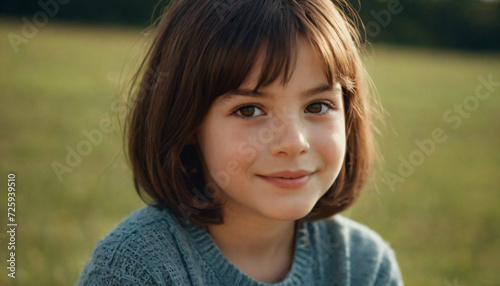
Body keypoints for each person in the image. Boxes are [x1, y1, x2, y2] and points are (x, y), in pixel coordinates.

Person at [78, 0, 404, 285]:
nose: (293, 143)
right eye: (249, 110)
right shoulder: (135, 268)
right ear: (187, 123)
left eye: (317, 106)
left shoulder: (365, 267)